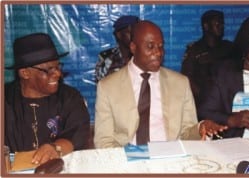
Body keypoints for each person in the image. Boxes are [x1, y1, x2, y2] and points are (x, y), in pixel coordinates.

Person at [94, 20, 228, 148]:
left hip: (170, 159)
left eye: (160, 46)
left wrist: (200, 128)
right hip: (127, 160)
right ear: (133, 48)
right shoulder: (108, 87)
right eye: (150, 46)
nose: (158, 53)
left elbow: (186, 133)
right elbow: (103, 140)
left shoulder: (180, 84)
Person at [5, 33, 90, 165]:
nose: (57, 74)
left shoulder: (69, 97)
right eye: (49, 70)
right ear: (25, 73)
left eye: (57, 67)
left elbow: (79, 132)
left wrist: (55, 148)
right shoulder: (5, 100)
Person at [181, 10, 234, 120]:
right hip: (202, 105)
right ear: (206, 26)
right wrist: (204, 95)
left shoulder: (230, 48)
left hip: (226, 105)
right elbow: (186, 78)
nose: (221, 27)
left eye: (222, 24)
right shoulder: (194, 50)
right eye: (217, 24)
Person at [95, 15, 140, 82]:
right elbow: (100, 84)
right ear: (119, 35)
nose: (134, 36)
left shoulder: (143, 55)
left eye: (137, 32)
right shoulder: (106, 57)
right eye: (130, 32)